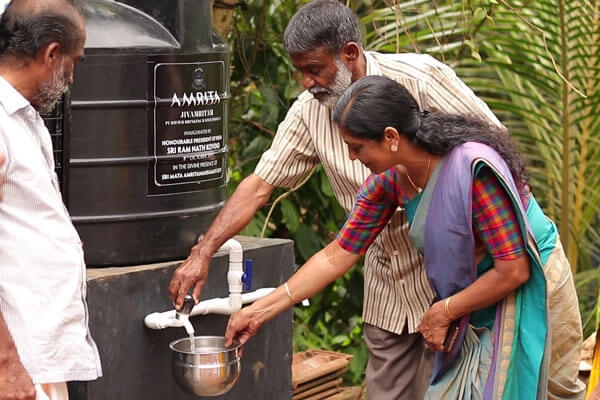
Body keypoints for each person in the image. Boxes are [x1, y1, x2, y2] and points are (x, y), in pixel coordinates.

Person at [169, 0, 500, 397]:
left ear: (350, 54)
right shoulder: (317, 118)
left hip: (458, 282)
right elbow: (268, 192)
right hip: (389, 287)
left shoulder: (421, 79)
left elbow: (493, 158)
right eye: (300, 72)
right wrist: (204, 252)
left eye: (314, 68)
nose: (307, 82)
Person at [225, 75, 586, 399]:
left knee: (550, 389)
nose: (351, 157)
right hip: (479, 299)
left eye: (357, 147)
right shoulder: (390, 182)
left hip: (535, 286)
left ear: (391, 137)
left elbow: (514, 269)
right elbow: (338, 254)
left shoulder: (473, 170)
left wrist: (444, 311)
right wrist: (259, 311)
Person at [0, 1, 102, 400]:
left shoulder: (26, 121)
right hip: (15, 358)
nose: (72, 76)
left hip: (35, 355)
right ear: (51, 54)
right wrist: (5, 364)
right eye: (74, 62)